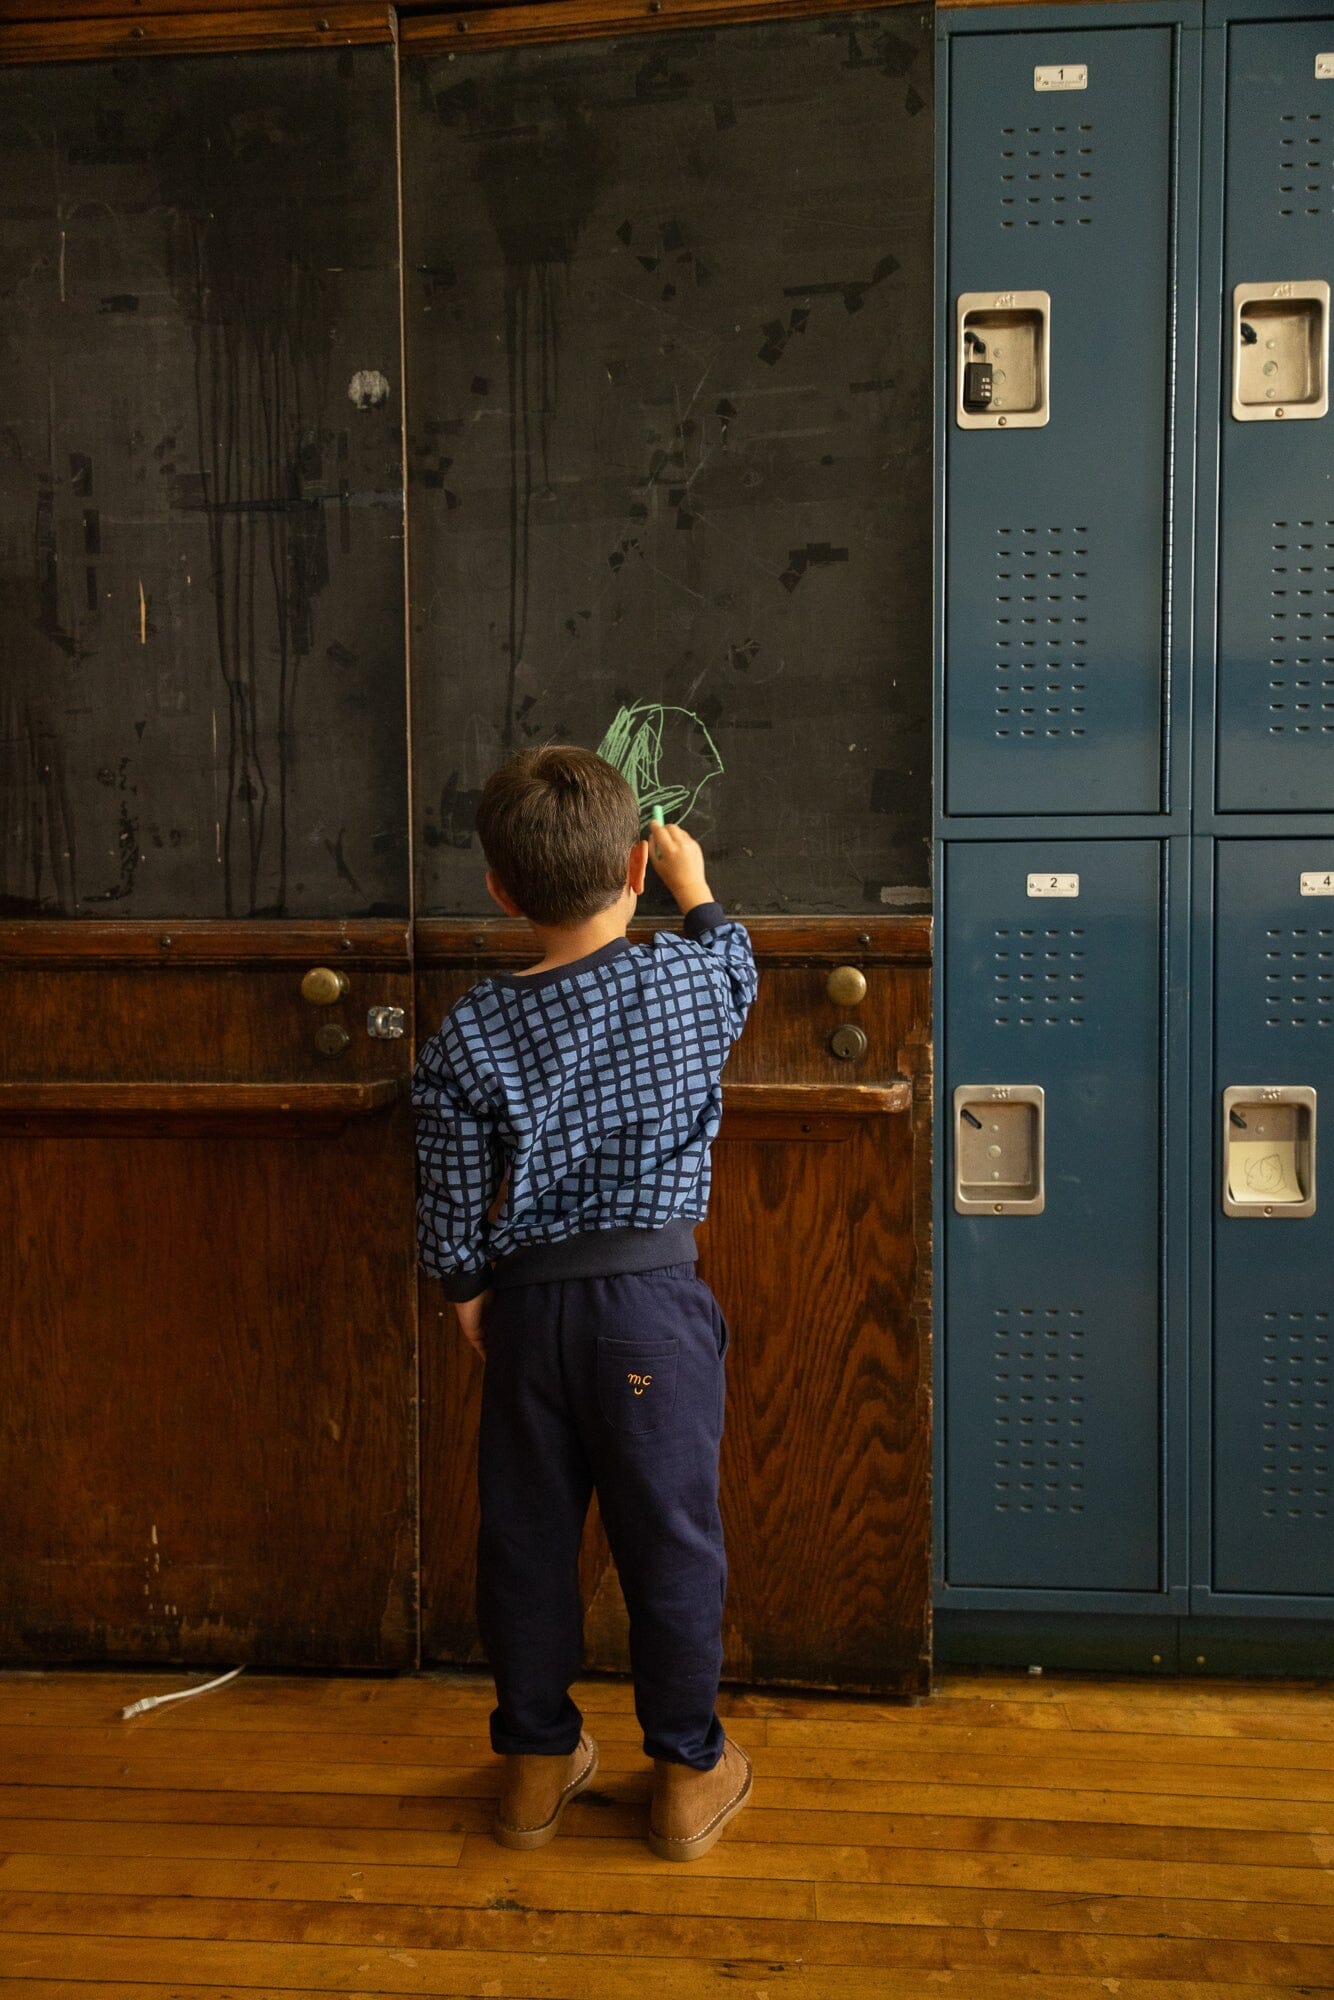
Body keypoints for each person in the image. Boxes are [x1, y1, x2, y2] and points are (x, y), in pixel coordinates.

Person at [411, 744, 758, 1863]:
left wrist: (468, 1291)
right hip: (651, 1305)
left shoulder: (470, 1028)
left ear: (499, 891)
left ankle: (533, 1764)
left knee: (523, 1541)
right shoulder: (684, 981)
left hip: (527, 1314)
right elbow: (738, 969)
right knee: (669, 1542)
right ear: (633, 868)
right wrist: (695, 889)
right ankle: (686, 1774)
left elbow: (449, 1185)